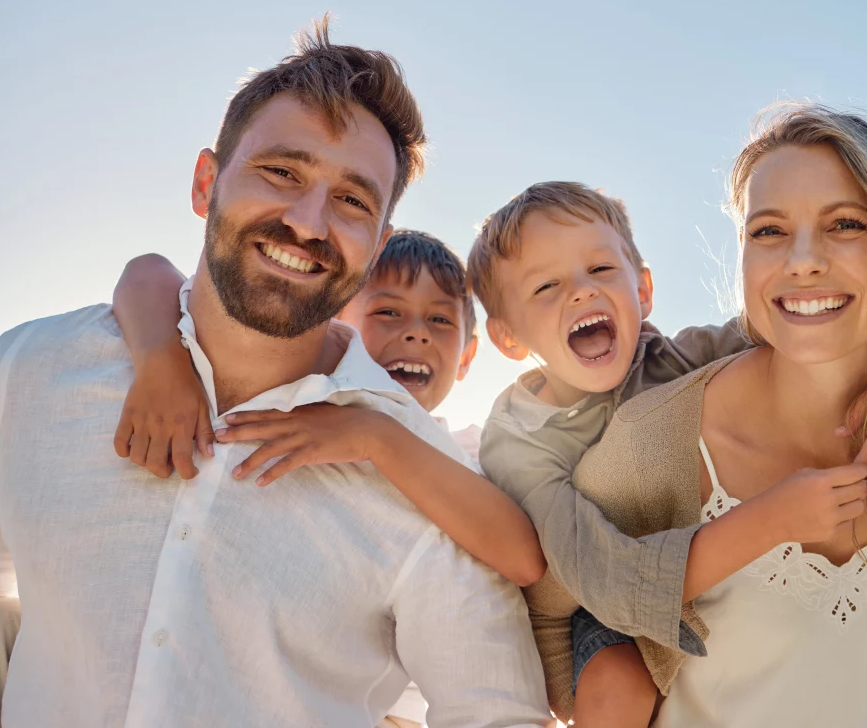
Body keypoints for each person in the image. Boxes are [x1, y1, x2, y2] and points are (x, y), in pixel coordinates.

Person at [0, 17, 551, 728]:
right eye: (281, 171)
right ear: (206, 182)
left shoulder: (424, 480)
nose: (310, 221)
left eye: (352, 200)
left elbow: (496, 711)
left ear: (375, 244)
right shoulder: (30, 373)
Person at [589, 103, 867, 727]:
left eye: (844, 224)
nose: (803, 259)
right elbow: (546, 614)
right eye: (768, 231)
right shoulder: (656, 443)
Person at [469, 181, 867, 725]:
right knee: (618, 688)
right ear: (508, 339)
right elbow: (592, 571)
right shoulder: (520, 438)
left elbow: (813, 338)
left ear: (643, 290)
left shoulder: (683, 357)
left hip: (696, 558)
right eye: (546, 286)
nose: (580, 293)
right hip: (595, 599)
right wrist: (771, 520)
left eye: (600, 270)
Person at [109, 228, 544, 727]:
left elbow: (521, 557)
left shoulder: (458, 452)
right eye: (388, 312)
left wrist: (375, 436)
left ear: (466, 356)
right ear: (334, 316)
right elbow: (147, 270)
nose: (417, 332)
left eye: (440, 320)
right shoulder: (286, 399)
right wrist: (160, 358)